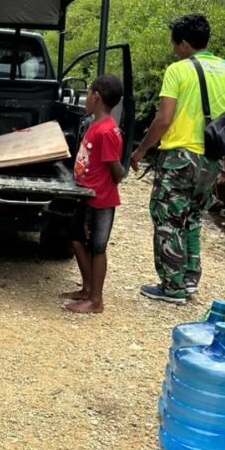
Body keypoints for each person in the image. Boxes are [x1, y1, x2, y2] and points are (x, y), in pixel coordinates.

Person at [129, 14, 225, 304]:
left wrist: (141, 150)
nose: (173, 50)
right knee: (192, 219)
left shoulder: (178, 70)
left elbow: (164, 119)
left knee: (167, 218)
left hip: (180, 157)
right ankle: (190, 281)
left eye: (174, 44)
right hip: (211, 158)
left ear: (182, 43)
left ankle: (172, 288)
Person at [62, 75, 125, 314]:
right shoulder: (95, 125)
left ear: (96, 97)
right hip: (86, 194)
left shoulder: (107, 131)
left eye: (88, 94)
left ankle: (96, 300)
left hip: (102, 198)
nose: (86, 98)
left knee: (98, 247)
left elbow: (115, 168)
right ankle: (88, 288)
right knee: (77, 238)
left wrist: (115, 179)